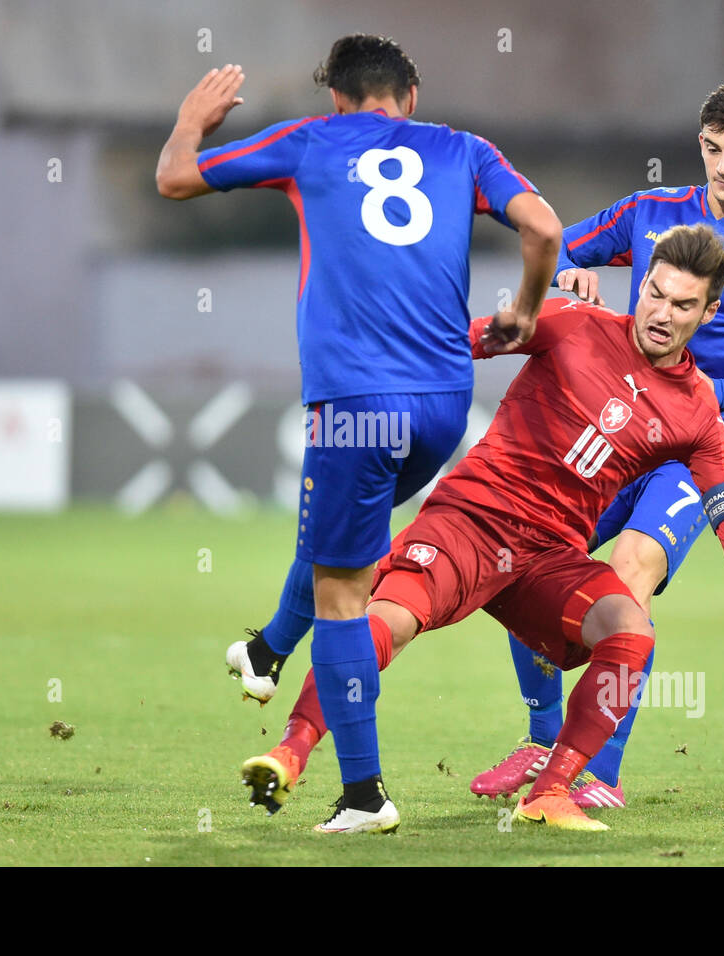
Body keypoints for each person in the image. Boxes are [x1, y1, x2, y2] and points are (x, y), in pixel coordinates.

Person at [246, 224, 724, 833]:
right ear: (640, 283)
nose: (661, 313)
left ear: (707, 313)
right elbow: (460, 342)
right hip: (471, 519)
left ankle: (551, 791)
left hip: (549, 556)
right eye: (654, 292)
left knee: (631, 634)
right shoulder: (573, 322)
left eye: (682, 305)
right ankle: (290, 750)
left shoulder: (697, 410)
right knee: (387, 621)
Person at [154, 34, 562, 799]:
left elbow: (174, 179)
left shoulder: (311, 141)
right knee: (342, 541)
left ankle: (362, 796)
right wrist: (527, 313)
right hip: (444, 408)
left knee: (346, 589)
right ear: (410, 97)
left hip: (355, 404)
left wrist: (191, 121)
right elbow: (543, 228)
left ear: (336, 98)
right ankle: (271, 650)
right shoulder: (464, 149)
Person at [472, 78, 724, 809]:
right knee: (527, 559)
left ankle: (598, 772)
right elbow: (554, 243)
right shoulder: (650, 214)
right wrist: (568, 270)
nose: (723, 166)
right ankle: (544, 737)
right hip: (616, 431)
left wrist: (711, 397)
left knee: (629, 572)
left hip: (696, 446)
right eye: (711, 149)